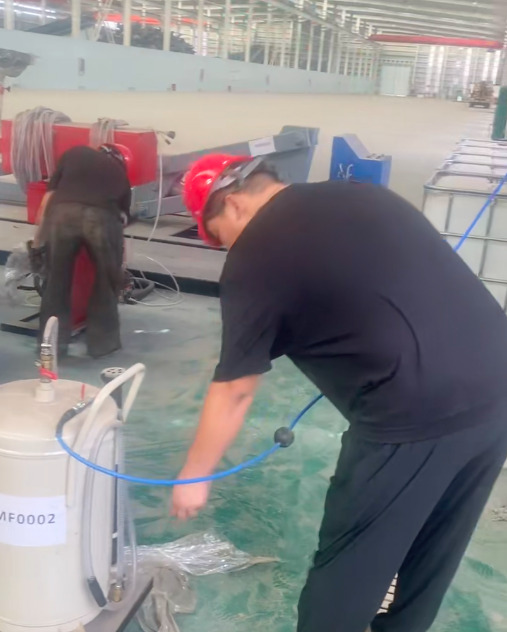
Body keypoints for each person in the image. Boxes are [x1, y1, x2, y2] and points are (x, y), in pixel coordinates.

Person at [170, 153, 507, 632]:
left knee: (348, 572)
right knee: (435, 553)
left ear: (233, 204)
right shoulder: (361, 195)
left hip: (412, 412)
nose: (227, 249)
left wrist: (194, 474)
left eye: (219, 237)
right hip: (497, 382)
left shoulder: (255, 255)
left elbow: (235, 390)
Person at [33, 144, 132, 358]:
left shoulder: (73, 153)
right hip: (102, 219)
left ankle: (51, 346)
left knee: (56, 283)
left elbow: (47, 201)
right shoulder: (121, 176)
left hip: (62, 214)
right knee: (105, 283)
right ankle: (103, 346)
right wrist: (117, 266)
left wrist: (37, 244)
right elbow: (121, 221)